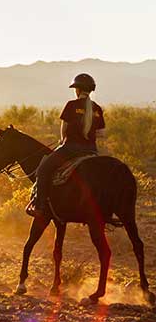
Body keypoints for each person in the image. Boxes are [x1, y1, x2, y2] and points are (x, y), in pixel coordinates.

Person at [27, 73, 106, 217]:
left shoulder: (71, 105)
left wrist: (63, 140)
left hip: (70, 149)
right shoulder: (97, 109)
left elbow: (63, 130)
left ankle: (40, 206)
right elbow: (102, 134)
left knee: (43, 169)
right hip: (91, 151)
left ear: (78, 90)